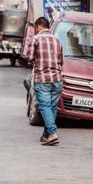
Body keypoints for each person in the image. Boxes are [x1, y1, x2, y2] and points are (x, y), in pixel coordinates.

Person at [29, 17, 64, 146]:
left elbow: (29, 56)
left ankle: (53, 133)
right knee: (52, 108)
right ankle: (46, 135)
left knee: (44, 107)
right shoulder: (58, 40)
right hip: (57, 79)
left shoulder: (36, 39)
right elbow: (62, 62)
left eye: (35, 28)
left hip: (43, 79)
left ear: (38, 26)